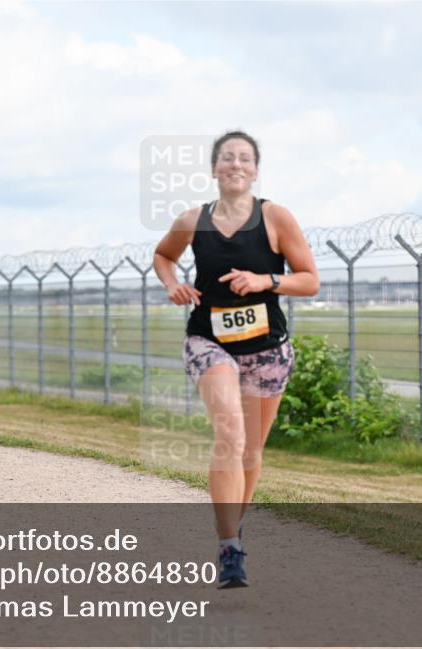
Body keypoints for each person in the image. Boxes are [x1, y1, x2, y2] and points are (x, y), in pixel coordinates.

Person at [153, 131, 319, 588]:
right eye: (227, 158)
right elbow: (163, 256)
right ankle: (229, 548)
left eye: (245, 158)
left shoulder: (276, 217)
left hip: (267, 347)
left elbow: (309, 280)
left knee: (251, 449)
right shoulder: (192, 219)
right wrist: (173, 283)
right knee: (230, 430)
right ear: (214, 169)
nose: (236, 165)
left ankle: (234, 528)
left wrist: (266, 280)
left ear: (256, 169)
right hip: (210, 340)